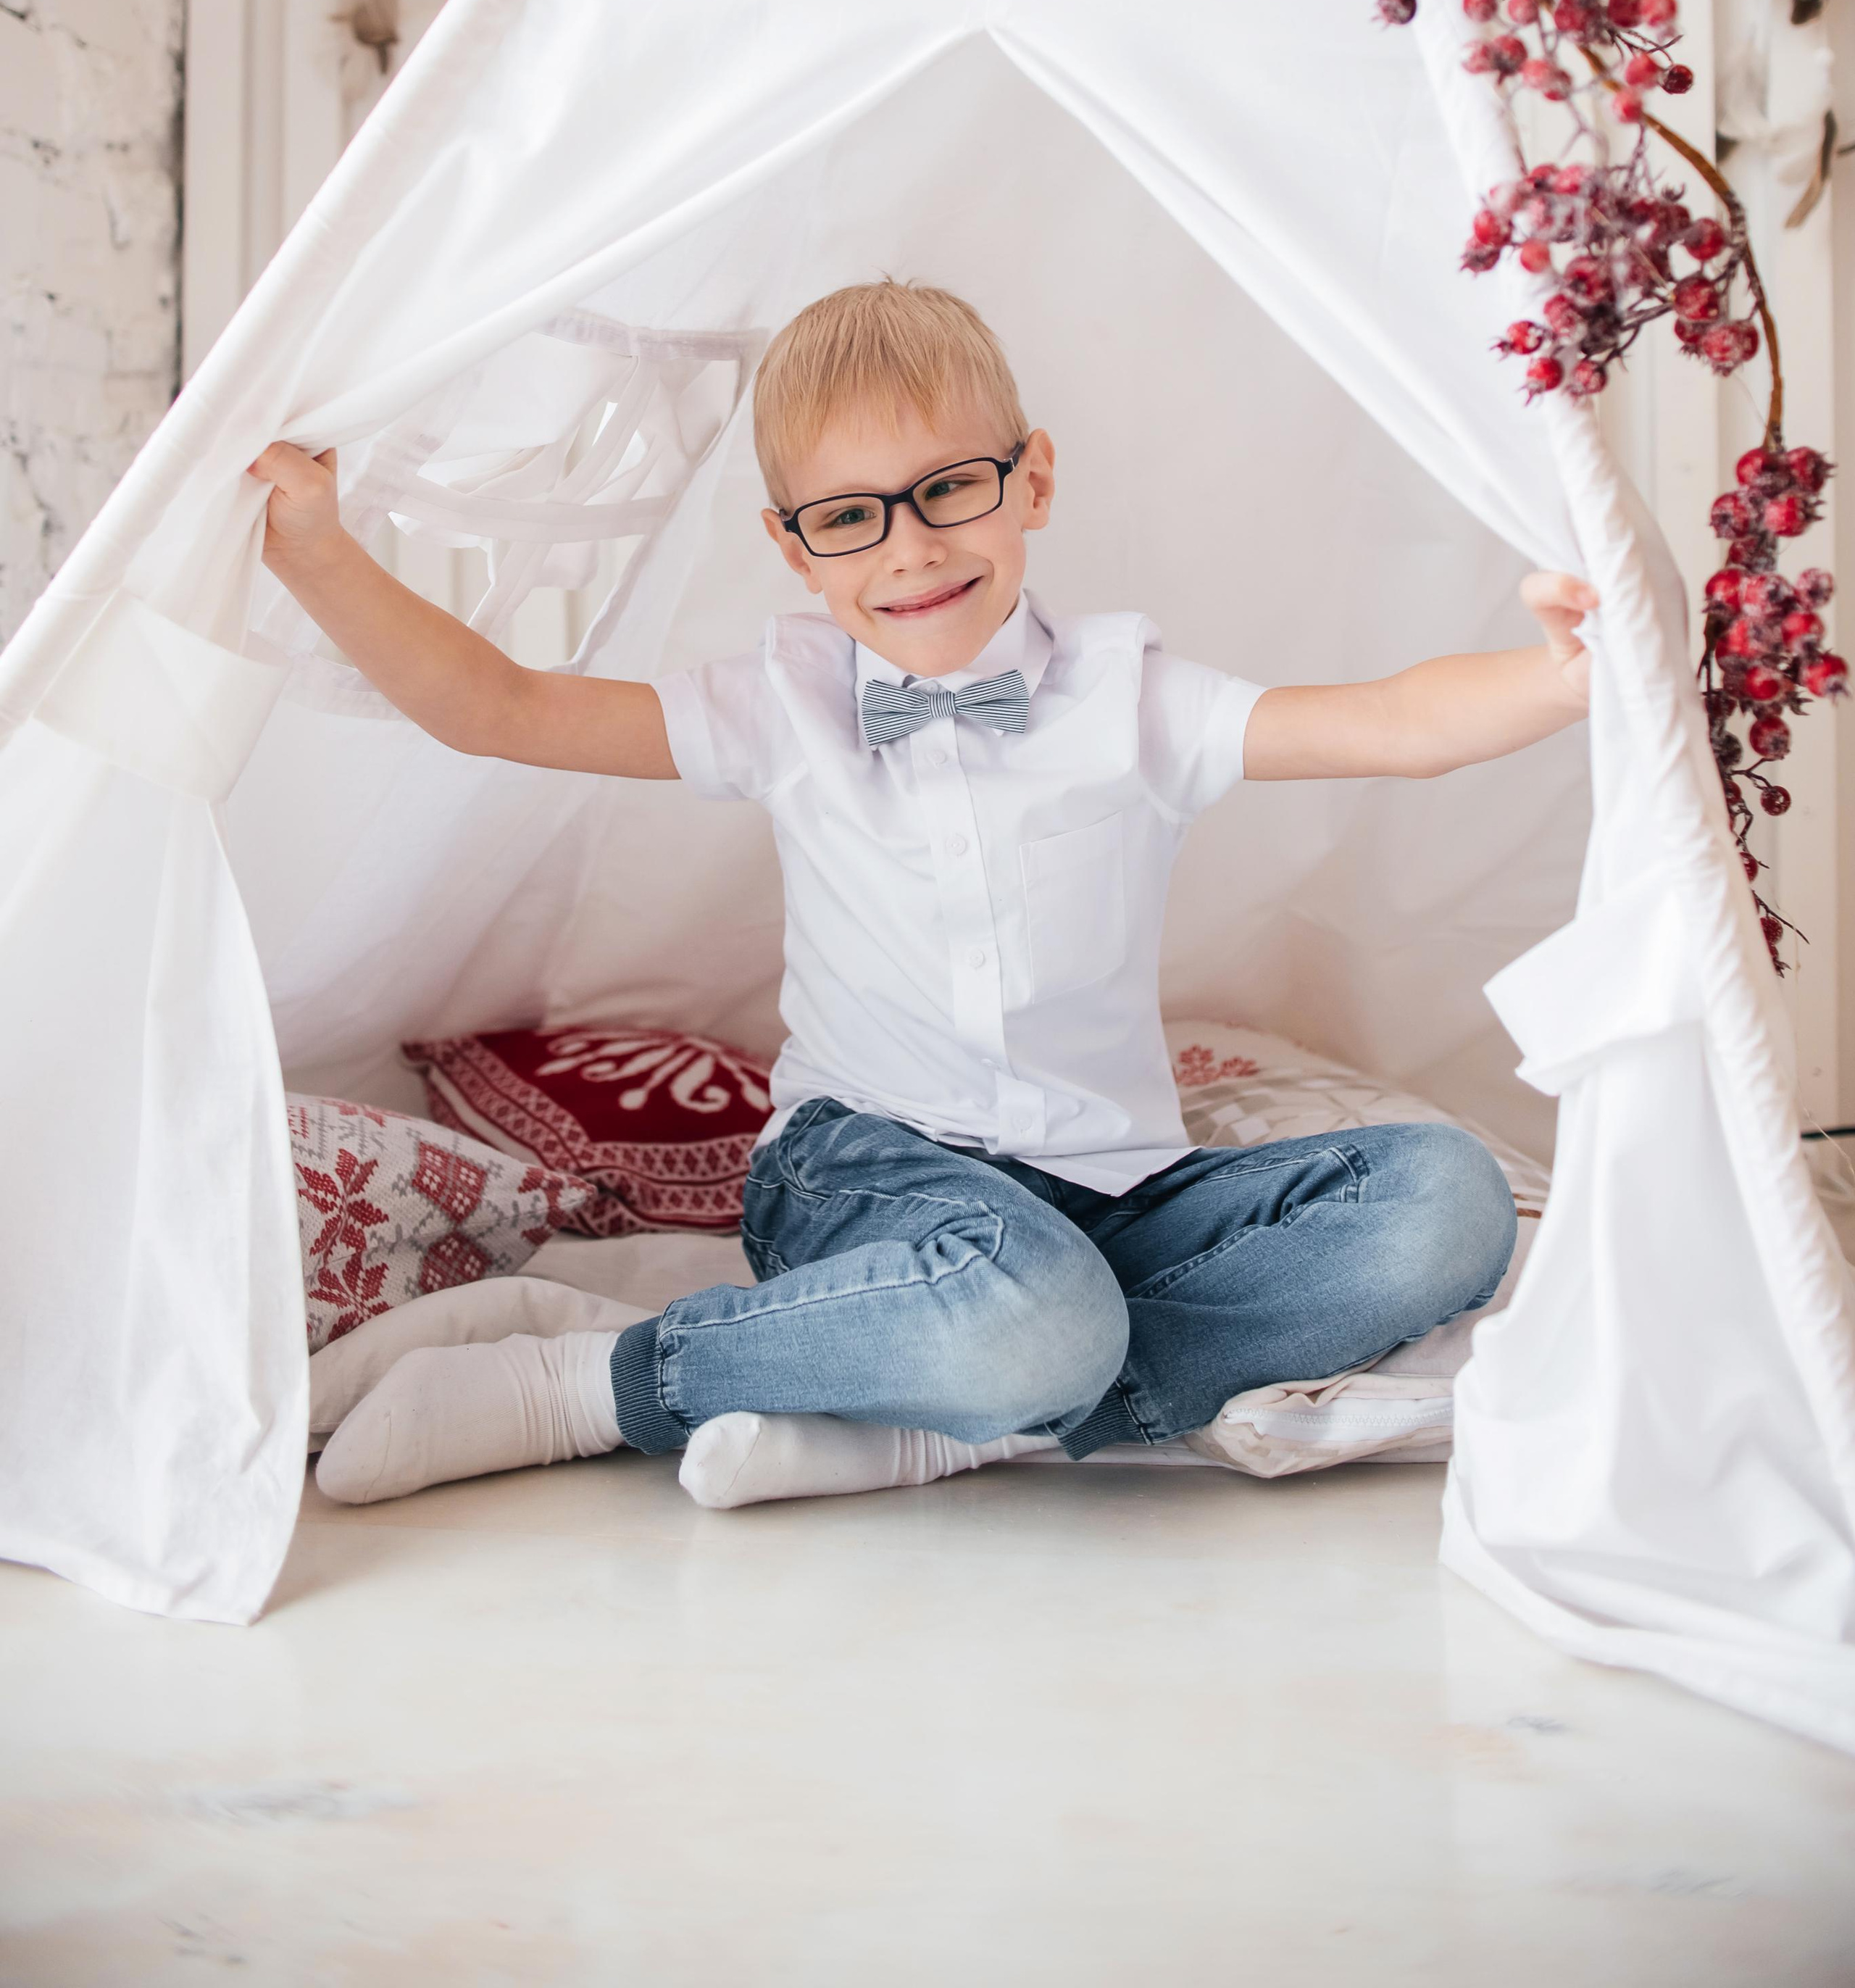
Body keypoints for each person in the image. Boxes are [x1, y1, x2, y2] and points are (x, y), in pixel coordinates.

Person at [251, 279, 1594, 1513]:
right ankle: (586, 1383)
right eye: (851, 516)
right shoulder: (778, 708)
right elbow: (503, 707)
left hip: (1119, 1189)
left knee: (1444, 1200)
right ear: (797, 547)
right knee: (1036, 1312)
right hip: (862, 1172)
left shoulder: (1139, 702)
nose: (909, 550)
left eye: (950, 489)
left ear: (1033, 481)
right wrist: (315, 552)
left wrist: (1562, 672)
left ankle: (947, 1421)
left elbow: (1394, 720)